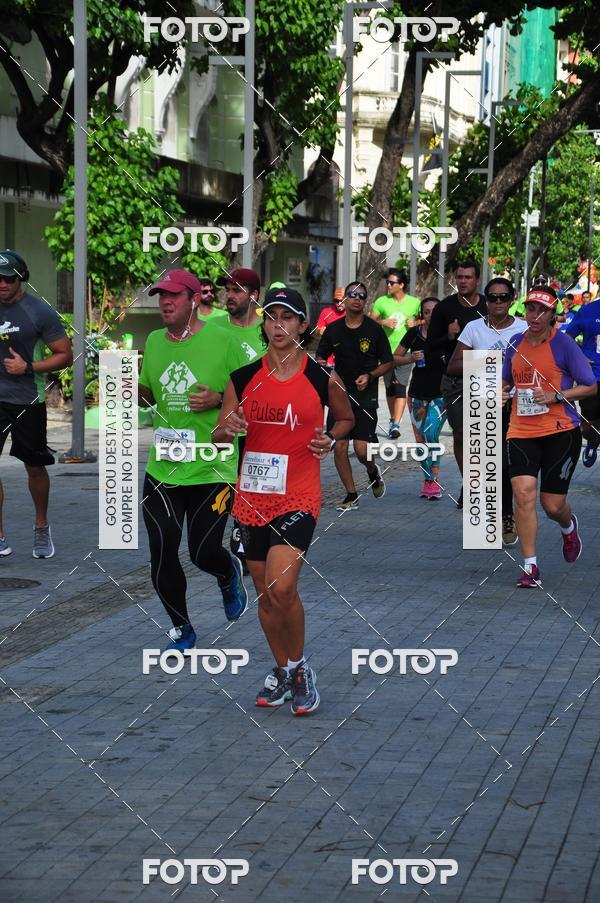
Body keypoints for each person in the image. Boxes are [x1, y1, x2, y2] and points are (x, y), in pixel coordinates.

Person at [213, 287, 354, 714]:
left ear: (302, 325)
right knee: (263, 592)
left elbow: (346, 417)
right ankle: (282, 668)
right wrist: (230, 425)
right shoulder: (242, 378)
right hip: (252, 497)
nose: (278, 326)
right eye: (271, 317)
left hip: (299, 494)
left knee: (283, 585)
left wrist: (331, 438)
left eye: (287, 318)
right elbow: (220, 433)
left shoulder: (320, 376)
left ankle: (299, 668)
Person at [138, 268, 248, 651]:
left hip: (212, 466)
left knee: (202, 551)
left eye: (173, 296)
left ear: (194, 299)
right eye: (160, 296)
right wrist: (122, 384)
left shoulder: (225, 339)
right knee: (163, 548)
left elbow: (254, 393)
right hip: (164, 466)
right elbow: (149, 394)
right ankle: (182, 628)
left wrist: (219, 400)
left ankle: (227, 572)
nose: (165, 303)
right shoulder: (153, 341)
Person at [502, 286, 596, 588]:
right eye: (531, 309)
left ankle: (568, 527)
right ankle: (531, 566)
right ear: (525, 311)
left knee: (552, 505)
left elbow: (590, 385)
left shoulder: (564, 345)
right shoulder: (515, 344)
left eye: (542, 310)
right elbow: (506, 380)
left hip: (560, 432)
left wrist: (556, 395)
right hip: (521, 431)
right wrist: (502, 392)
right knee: (523, 493)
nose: (535, 315)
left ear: (552, 314)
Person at [0, 249, 72, 558]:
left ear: (20, 279)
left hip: (28, 399)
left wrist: (27, 367)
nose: (1, 284)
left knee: (34, 467)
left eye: (7, 279)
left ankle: (41, 527)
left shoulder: (38, 311)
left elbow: (64, 355)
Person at [446, 278, 526, 545]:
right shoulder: (474, 328)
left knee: (508, 464)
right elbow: (453, 366)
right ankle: (493, 519)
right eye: (493, 297)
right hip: (484, 401)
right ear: (486, 300)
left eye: (504, 297)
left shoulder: (524, 328)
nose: (498, 302)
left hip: (518, 405)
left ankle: (507, 515)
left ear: (513, 298)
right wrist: (490, 363)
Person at [316, 281, 392, 510]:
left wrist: (369, 376)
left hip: (365, 396)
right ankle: (351, 495)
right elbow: (321, 357)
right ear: (345, 300)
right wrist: (325, 371)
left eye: (361, 295)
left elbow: (388, 362)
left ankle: (372, 471)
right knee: (339, 447)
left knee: (361, 450)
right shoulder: (334, 329)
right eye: (352, 294)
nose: (357, 298)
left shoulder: (374, 330)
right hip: (339, 396)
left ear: (365, 300)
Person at [426, 259, 487, 508]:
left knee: (484, 435)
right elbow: (430, 346)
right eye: (459, 277)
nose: (463, 281)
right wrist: (449, 336)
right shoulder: (445, 308)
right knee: (461, 434)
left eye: (468, 277)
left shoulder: (488, 304)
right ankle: (470, 484)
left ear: (477, 280)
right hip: (456, 379)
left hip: (485, 373)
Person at [394, 297, 446, 499]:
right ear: (421, 314)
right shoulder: (413, 333)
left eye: (435, 311)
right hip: (416, 394)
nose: (431, 314)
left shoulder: (449, 335)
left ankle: (434, 479)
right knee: (420, 441)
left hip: (441, 395)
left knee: (431, 433)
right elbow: (394, 357)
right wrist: (410, 358)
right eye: (426, 311)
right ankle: (428, 481)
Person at [369, 268, 420, 438]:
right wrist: (384, 321)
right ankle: (392, 419)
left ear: (402, 285)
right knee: (390, 387)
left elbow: (426, 320)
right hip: (385, 351)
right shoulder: (381, 301)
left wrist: (416, 322)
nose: (388, 285)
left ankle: (396, 424)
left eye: (392, 283)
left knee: (400, 386)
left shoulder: (414, 303)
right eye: (388, 282)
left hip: (406, 351)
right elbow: (369, 321)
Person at [564, 293, 600, 466]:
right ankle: (592, 438)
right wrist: (578, 356)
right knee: (587, 427)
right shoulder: (588, 310)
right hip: (593, 376)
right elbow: (567, 337)